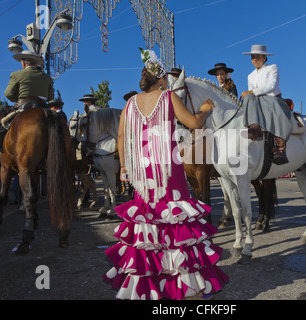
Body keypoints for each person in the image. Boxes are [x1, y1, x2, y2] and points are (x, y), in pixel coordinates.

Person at [103, 49, 228, 300]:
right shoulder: (168, 97)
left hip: (142, 171)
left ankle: (147, 285)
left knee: (149, 221)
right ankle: (183, 281)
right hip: (168, 170)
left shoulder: (129, 104)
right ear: (161, 79)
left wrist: (125, 168)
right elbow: (194, 123)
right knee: (175, 220)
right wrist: (204, 109)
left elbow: (122, 138)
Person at [0, 50, 54, 166]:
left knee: (2, 125)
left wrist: (16, 100)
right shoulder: (47, 78)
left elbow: (8, 93)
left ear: (23, 63)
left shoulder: (16, 75)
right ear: (36, 63)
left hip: (23, 107)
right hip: (44, 108)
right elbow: (50, 97)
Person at [240, 44, 292, 165]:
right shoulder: (250, 75)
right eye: (252, 57)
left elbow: (271, 86)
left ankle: (279, 145)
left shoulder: (272, 68)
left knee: (275, 113)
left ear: (264, 57)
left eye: (257, 56)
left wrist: (252, 92)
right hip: (257, 101)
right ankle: (254, 128)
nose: (254, 59)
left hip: (272, 99)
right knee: (247, 98)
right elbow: (250, 94)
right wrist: (249, 94)